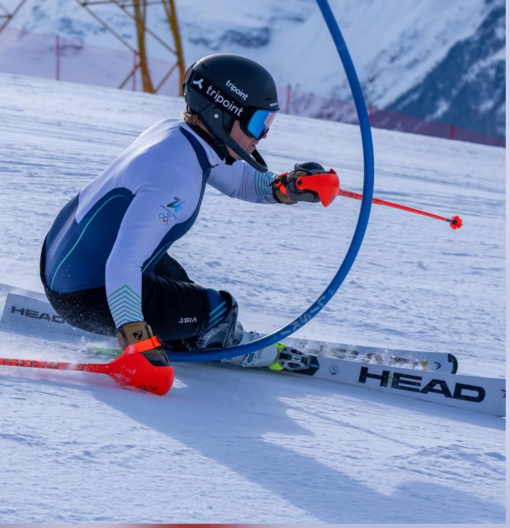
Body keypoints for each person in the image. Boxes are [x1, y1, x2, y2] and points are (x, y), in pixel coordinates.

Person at [39, 53, 332, 368]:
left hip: (64, 269)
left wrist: (287, 187)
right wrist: (134, 336)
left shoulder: (181, 137)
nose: (261, 137)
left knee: (184, 286)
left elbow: (239, 181)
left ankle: (185, 330)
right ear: (221, 114)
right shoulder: (174, 178)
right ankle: (228, 343)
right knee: (220, 310)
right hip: (89, 295)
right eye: (258, 123)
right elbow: (124, 262)